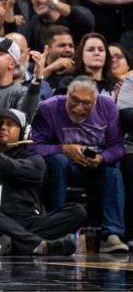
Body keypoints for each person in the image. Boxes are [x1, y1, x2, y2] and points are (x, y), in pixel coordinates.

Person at [0, 108, 84, 255]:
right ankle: (36, 245)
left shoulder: (33, 159)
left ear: (23, 131)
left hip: (26, 222)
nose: (3, 127)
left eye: (10, 124)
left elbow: (15, 169)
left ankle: (15, 243)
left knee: (77, 212)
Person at [32, 78, 129, 253]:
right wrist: (63, 149)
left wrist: (102, 158)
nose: (78, 108)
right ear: (67, 95)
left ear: (95, 101)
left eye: (86, 103)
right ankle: (58, 228)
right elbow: (34, 146)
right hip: (63, 166)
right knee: (58, 161)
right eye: (74, 100)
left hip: (95, 166)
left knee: (112, 173)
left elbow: (117, 147)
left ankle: (111, 235)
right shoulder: (49, 107)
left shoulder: (107, 107)